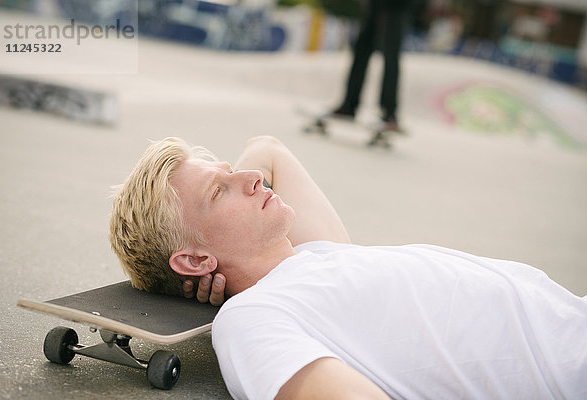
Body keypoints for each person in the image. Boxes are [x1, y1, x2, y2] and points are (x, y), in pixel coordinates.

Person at [109, 136, 587, 399]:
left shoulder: (318, 253)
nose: (251, 177)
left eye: (234, 170)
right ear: (194, 260)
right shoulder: (255, 318)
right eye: (222, 191)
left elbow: (269, 149)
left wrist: (219, 190)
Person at [330, 0, 412, 130]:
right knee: (362, 48)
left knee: (390, 53)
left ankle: (389, 114)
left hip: (396, 5)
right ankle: (349, 105)